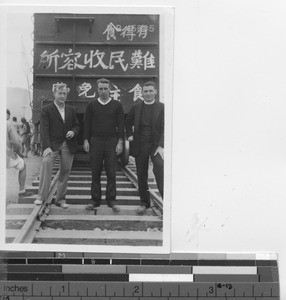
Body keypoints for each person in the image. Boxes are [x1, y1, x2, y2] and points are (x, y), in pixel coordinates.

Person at [34, 83, 80, 208]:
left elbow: (77, 125)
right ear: (54, 94)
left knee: (65, 171)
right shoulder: (46, 110)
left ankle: (60, 200)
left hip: (67, 144)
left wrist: (73, 131)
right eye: (60, 93)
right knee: (46, 163)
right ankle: (41, 196)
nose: (62, 96)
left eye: (64, 94)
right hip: (52, 144)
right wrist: (46, 147)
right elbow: (44, 130)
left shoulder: (71, 109)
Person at [83, 78, 124, 212]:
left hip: (111, 141)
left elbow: (121, 125)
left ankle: (111, 200)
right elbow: (87, 124)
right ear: (97, 90)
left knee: (111, 172)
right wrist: (86, 140)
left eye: (105, 88)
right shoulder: (92, 105)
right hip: (96, 141)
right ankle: (95, 200)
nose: (103, 91)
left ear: (110, 89)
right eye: (100, 89)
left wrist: (120, 142)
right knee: (96, 171)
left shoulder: (117, 105)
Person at [125, 81, 164, 215]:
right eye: (145, 91)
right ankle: (144, 202)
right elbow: (128, 122)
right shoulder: (136, 107)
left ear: (155, 92)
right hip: (140, 144)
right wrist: (129, 135)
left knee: (160, 170)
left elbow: (165, 127)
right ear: (142, 93)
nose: (148, 94)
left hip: (155, 146)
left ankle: (165, 200)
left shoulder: (162, 107)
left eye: (150, 91)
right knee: (141, 173)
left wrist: (161, 145)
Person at [6, 109, 33, 198]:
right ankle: (22, 191)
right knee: (23, 165)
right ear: (9, 116)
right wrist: (18, 153)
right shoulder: (8, 123)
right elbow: (16, 142)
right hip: (5, 154)